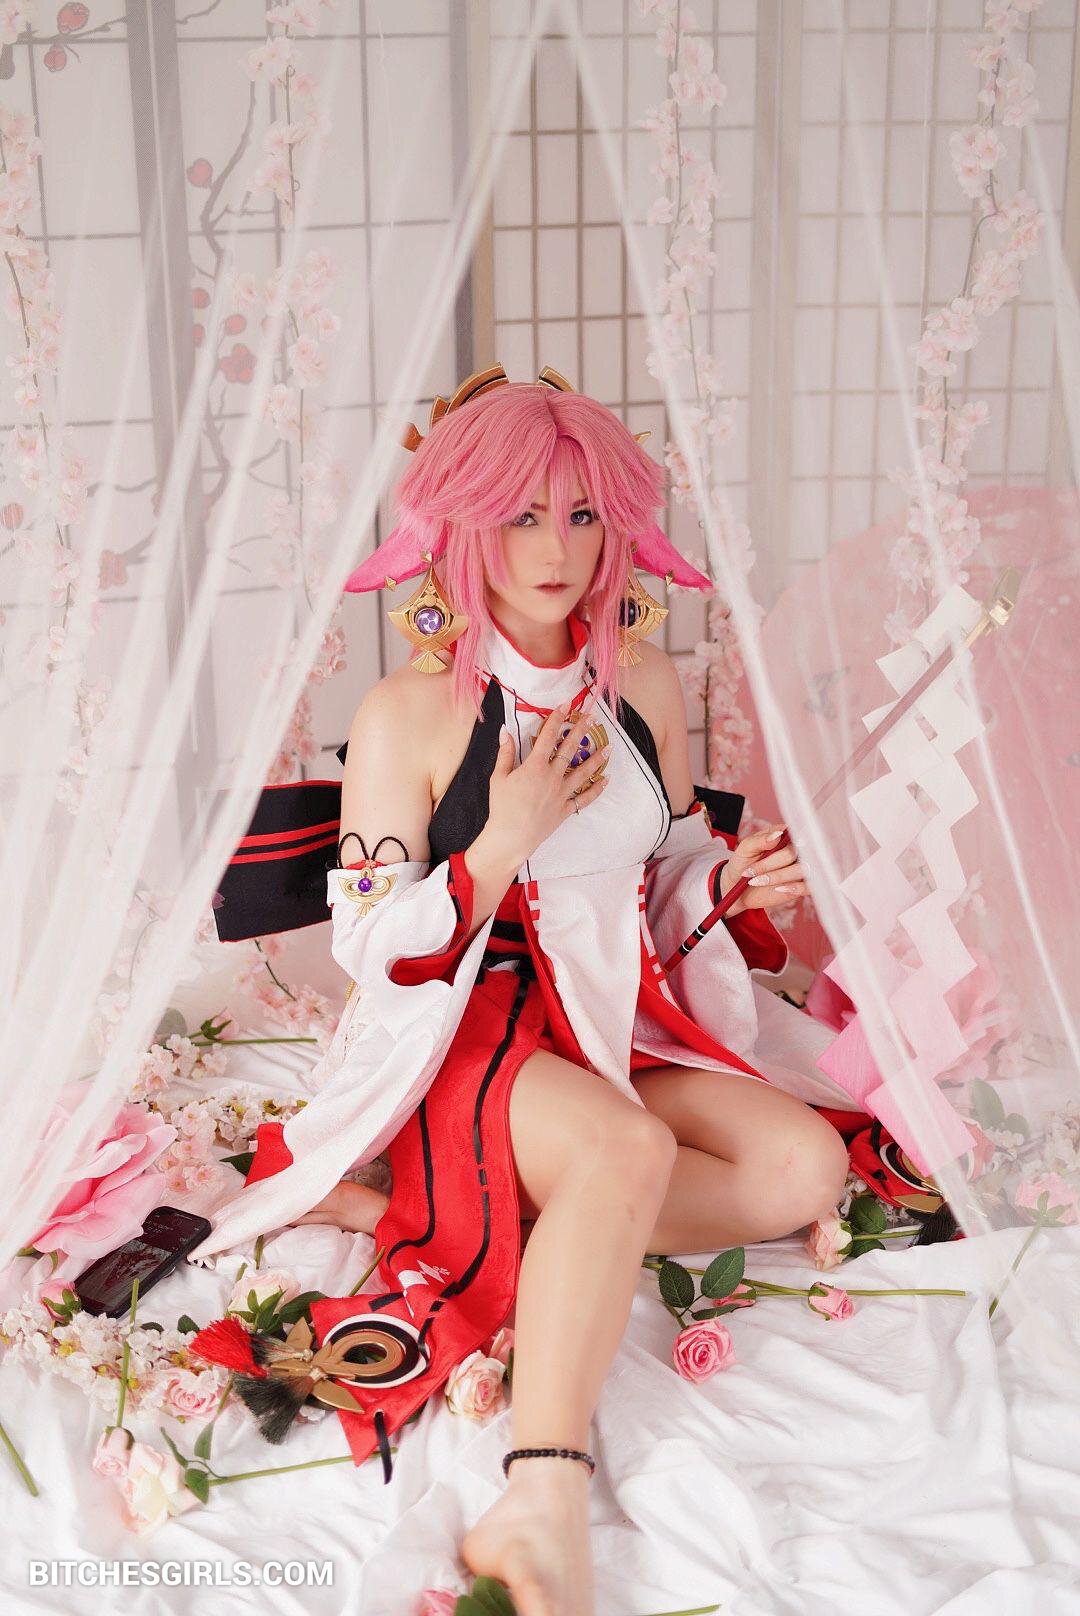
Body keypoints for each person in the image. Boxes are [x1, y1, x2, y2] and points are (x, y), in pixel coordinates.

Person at [189, 370, 855, 1616]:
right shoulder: (407, 714)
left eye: (584, 515)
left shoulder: (644, 684)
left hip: (612, 1009)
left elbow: (661, 879)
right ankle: (541, 1490)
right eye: (522, 515)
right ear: (464, 525)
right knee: (624, 1148)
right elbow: (372, 947)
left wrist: (730, 881)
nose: (557, 549)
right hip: (463, 1030)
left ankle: (475, 1216)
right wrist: (502, 837)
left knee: (801, 1168)